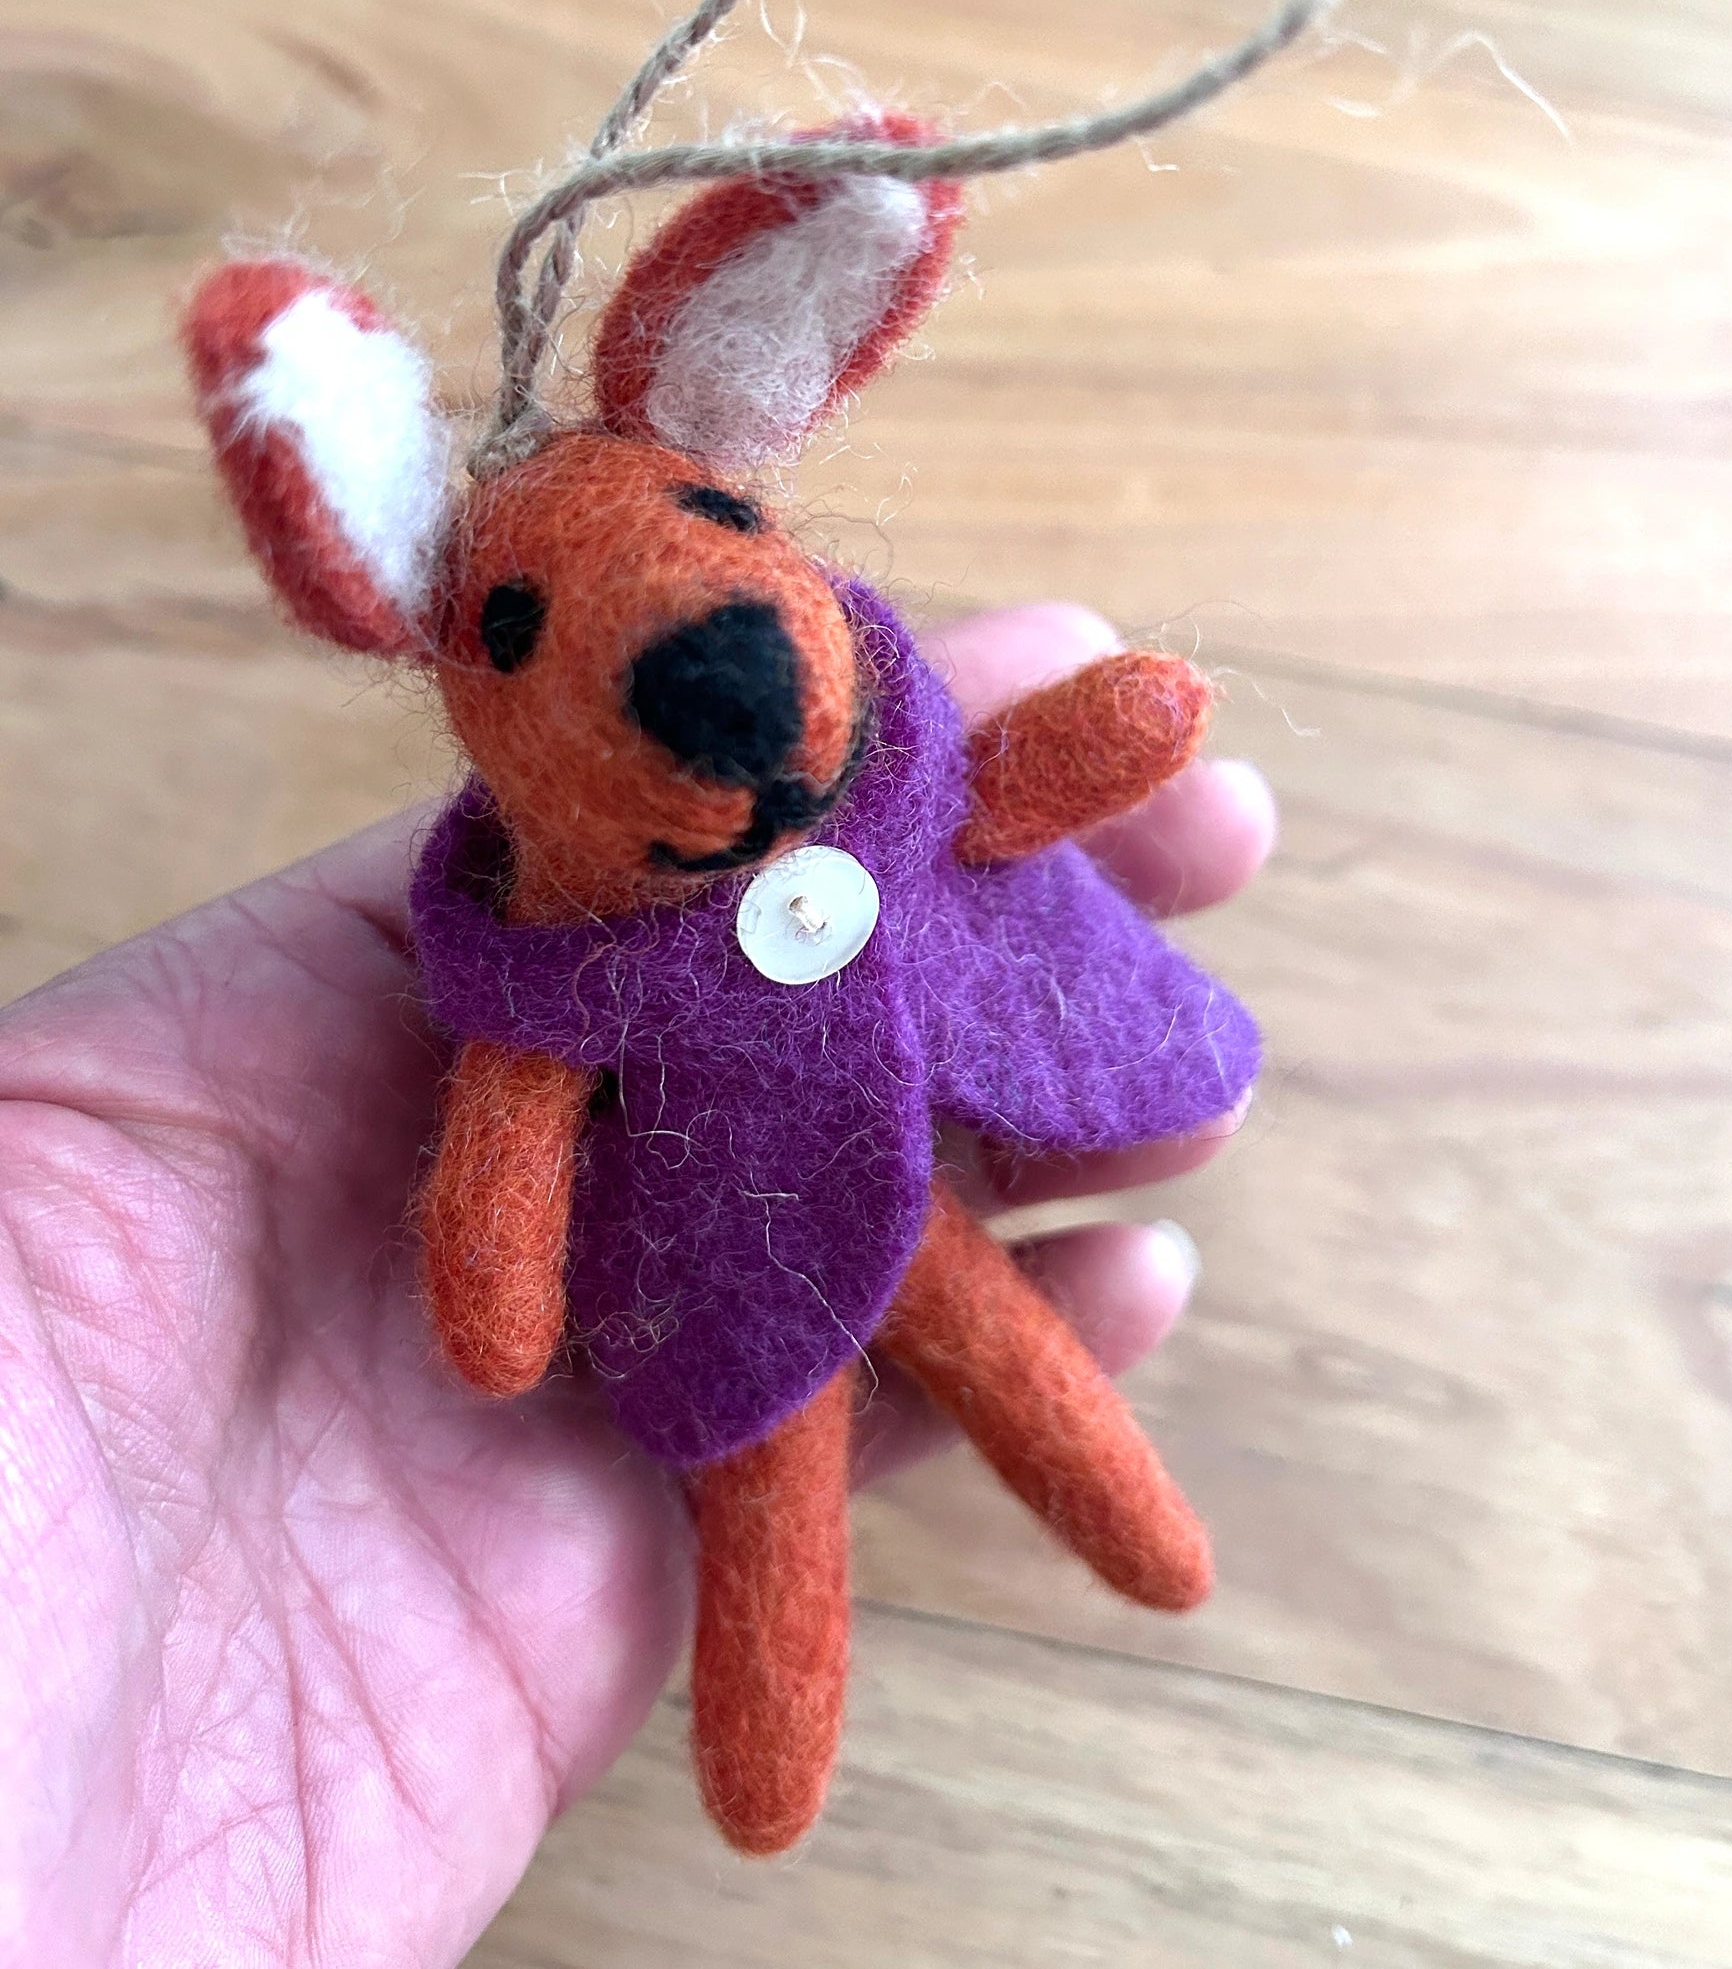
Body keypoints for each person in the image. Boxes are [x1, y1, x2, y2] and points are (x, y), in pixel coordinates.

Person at [0, 601, 1274, 1965]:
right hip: (723, 1231)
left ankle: (1140, 1543)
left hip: (871, 1178)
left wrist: (1101, 733)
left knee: (995, 1349)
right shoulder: (549, 948)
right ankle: (804, 1728)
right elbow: (509, 1153)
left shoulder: (870, 773)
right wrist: (498, 1265)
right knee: (778, 1460)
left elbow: (1001, 783)